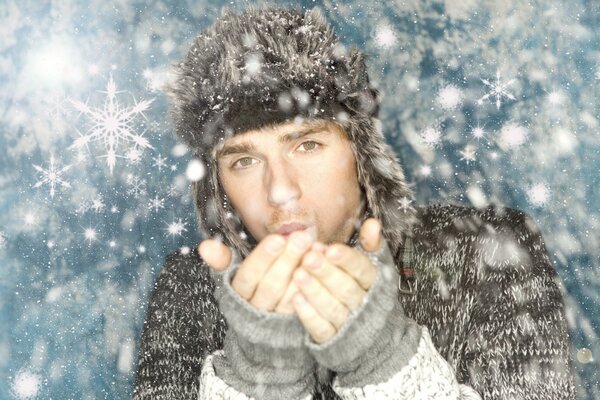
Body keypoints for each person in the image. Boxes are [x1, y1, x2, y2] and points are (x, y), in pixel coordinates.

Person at [133, 6, 576, 400]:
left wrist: (385, 361)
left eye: (306, 145)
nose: (280, 190)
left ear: (360, 156)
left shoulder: (485, 251)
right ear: (217, 186)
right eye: (245, 160)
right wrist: (257, 378)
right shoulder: (189, 286)